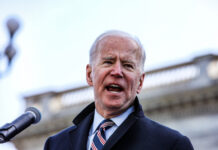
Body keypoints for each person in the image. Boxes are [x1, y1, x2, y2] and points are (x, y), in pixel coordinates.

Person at [44, 30, 194, 150]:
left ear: (140, 82)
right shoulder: (55, 144)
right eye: (108, 62)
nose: (117, 71)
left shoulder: (172, 145)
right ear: (90, 75)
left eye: (128, 65)